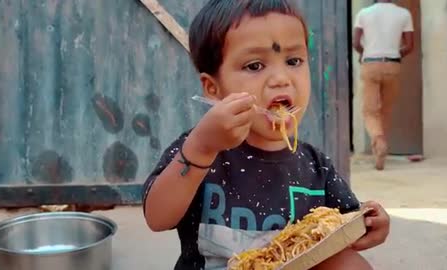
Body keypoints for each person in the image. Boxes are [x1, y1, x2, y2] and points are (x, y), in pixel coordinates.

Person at [143, 1, 390, 269]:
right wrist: (201, 148)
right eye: (255, 66)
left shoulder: (315, 166)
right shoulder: (201, 149)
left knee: (351, 265)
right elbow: (158, 218)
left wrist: (372, 221)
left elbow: (348, 223)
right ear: (213, 88)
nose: (281, 79)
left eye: (293, 61)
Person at [352, 0, 414, 170]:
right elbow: (409, 45)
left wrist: (365, 53)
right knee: (386, 108)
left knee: (370, 111)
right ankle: (380, 148)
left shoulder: (364, 13)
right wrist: (394, 53)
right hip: (393, 64)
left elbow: (356, 42)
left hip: (370, 64)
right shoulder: (404, 14)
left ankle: (379, 142)